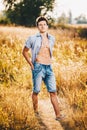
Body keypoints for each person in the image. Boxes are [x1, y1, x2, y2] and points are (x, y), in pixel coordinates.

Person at [22, 16, 64, 120]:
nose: (43, 26)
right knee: (36, 91)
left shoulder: (52, 38)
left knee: (53, 91)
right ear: (37, 27)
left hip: (49, 67)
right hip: (38, 67)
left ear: (47, 26)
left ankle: (58, 115)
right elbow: (24, 51)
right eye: (40, 24)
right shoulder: (32, 38)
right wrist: (31, 64)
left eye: (44, 24)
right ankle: (36, 112)